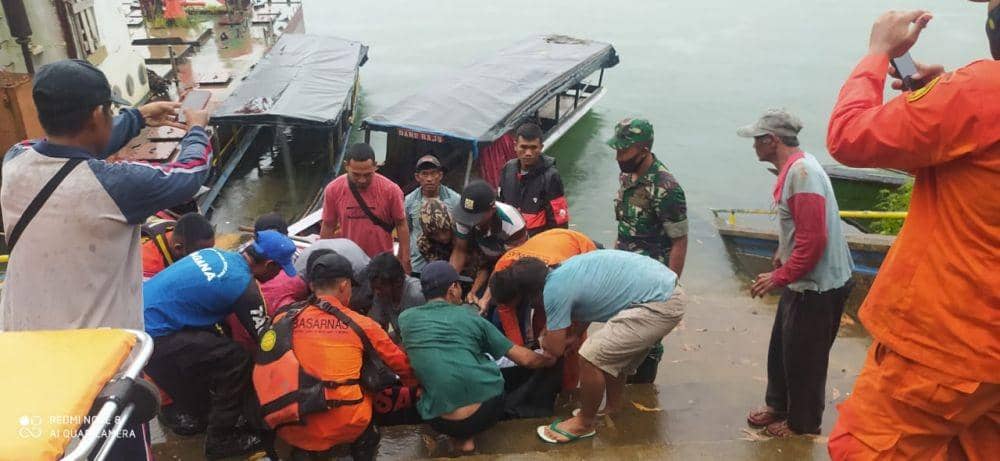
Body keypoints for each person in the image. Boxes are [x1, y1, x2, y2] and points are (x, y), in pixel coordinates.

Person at [825, 8, 1000, 459]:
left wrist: (878, 53)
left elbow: (849, 137)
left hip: (948, 344)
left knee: (863, 449)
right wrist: (933, 105)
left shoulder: (982, 90)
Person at [0, 59, 211, 332]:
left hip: (21, 339)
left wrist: (138, 117)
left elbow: (68, 148)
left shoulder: (15, 160)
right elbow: (190, 174)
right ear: (98, 115)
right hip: (93, 353)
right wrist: (196, 129)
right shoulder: (117, 186)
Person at [735, 109, 855, 437]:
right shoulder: (793, 170)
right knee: (782, 348)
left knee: (806, 359)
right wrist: (781, 252)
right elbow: (799, 228)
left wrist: (779, 277)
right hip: (803, 279)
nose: (753, 146)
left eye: (757, 140)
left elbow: (814, 240)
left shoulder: (802, 174)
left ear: (772, 141)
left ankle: (803, 424)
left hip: (818, 286)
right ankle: (778, 404)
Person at [493, 250, 685, 443]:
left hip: (659, 303)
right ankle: (612, 407)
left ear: (531, 293)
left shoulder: (554, 290)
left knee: (590, 356)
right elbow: (587, 307)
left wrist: (544, 340)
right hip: (662, 289)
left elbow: (555, 349)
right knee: (611, 355)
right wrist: (575, 335)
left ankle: (584, 423)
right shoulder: (560, 271)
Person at [143, 230, 297, 458]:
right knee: (238, 361)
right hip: (157, 336)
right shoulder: (243, 287)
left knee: (217, 345)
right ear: (270, 264)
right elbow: (266, 341)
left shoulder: (213, 254)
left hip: (139, 322)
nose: (278, 275)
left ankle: (197, 411)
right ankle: (221, 439)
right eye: (279, 269)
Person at [272, 252, 418, 461]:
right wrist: (415, 391)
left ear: (312, 286)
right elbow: (403, 367)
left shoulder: (282, 317)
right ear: (344, 286)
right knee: (365, 424)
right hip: (345, 424)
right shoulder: (362, 324)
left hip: (286, 424)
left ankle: (304, 448)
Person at [398, 261, 555, 454]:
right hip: (484, 413)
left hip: (438, 420)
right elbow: (525, 359)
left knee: (428, 386)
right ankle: (467, 439)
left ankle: (459, 440)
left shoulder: (405, 319)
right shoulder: (470, 316)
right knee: (487, 366)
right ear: (453, 289)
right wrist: (551, 358)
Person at [607, 118, 688, 277]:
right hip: (624, 268)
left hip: (651, 275)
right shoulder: (626, 176)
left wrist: (671, 287)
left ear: (643, 151)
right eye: (617, 151)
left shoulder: (666, 188)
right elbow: (625, 226)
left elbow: (679, 241)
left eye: (624, 152)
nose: (618, 157)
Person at [320, 143, 410, 272]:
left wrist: (404, 258)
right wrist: (324, 258)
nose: (362, 180)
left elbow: (401, 224)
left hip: (382, 262)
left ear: (375, 166)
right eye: (356, 174)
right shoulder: (333, 190)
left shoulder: (391, 190)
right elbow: (328, 225)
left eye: (367, 174)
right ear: (346, 166)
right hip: (349, 262)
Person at [448, 180, 528, 298]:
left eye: (475, 218)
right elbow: (460, 250)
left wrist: (485, 299)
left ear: (492, 210)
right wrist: (449, 285)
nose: (470, 222)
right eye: (467, 217)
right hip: (484, 256)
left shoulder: (513, 224)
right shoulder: (464, 218)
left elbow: (505, 264)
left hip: (512, 264)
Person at [497, 122, 570, 236]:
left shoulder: (551, 177)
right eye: (523, 147)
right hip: (510, 239)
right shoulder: (508, 169)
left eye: (533, 148)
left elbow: (559, 223)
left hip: (537, 242)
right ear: (515, 146)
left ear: (541, 147)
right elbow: (501, 204)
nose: (528, 153)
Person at [404, 155, 460, 275]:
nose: (429, 179)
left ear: (440, 175)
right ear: (417, 177)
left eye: (433, 173)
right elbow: (406, 231)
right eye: (424, 174)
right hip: (418, 265)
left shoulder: (454, 200)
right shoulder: (409, 201)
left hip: (445, 264)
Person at [416, 198, 487, 288]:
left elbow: (483, 265)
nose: (442, 237)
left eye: (445, 231)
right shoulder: (424, 243)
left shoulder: (463, 231)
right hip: (448, 281)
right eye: (435, 234)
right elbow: (437, 268)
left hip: (476, 278)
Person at [366, 252, 425, 340]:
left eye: (380, 288)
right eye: (374, 288)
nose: (377, 292)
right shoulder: (380, 294)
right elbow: (378, 327)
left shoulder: (417, 295)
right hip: (403, 338)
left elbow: (425, 334)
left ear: (398, 282)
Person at [141, 212, 216, 280]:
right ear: (178, 248)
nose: (206, 258)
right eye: (199, 255)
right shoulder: (149, 266)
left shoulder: (176, 227)